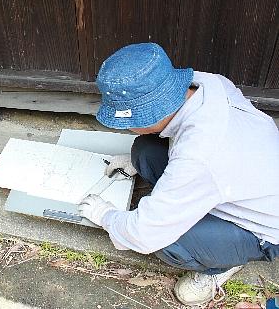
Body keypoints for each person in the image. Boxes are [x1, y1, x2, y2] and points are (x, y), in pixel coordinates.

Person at [77, 43, 279, 306]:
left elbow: (144, 234)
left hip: (263, 230)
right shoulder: (207, 84)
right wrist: (137, 165)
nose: (125, 128)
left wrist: (104, 215)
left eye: (126, 123)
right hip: (243, 180)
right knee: (145, 152)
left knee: (168, 239)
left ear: (148, 116)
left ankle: (220, 267)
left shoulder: (200, 155)